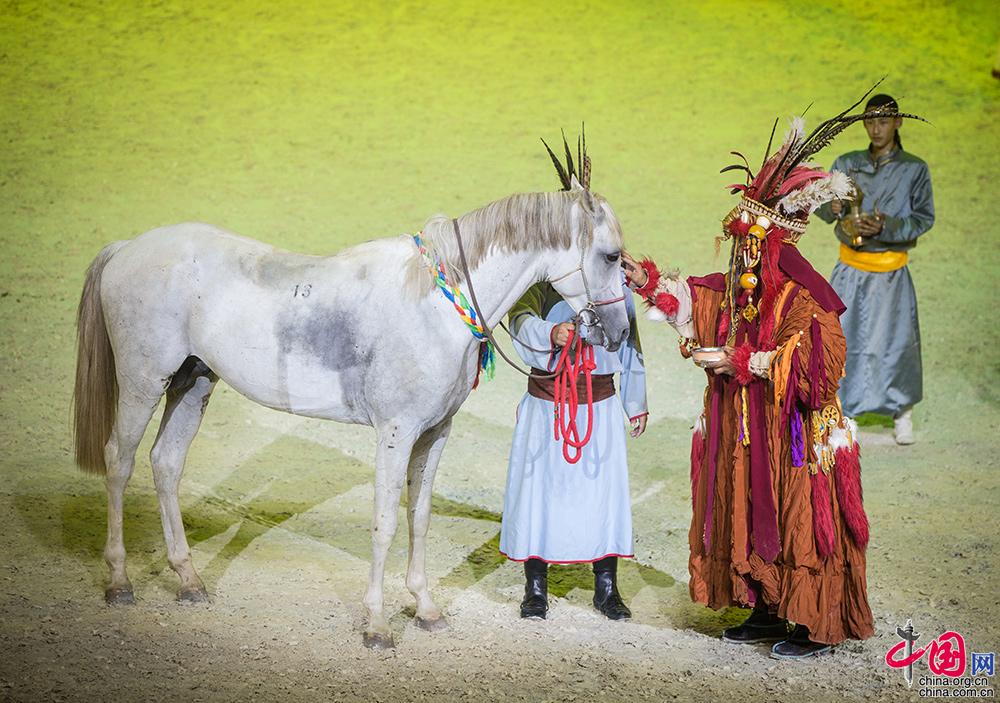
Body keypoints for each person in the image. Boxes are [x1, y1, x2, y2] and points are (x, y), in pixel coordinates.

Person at [620, 97, 913, 657]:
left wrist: (743, 362)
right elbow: (701, 300)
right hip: (751, 428)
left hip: (795, 437)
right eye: (740, 240)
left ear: (770, 242)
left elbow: (817, 370)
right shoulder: (744, 288)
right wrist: (646, 281)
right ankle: (767, 607)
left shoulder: (806, 296)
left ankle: (815, 622)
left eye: (749, 240)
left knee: (799, 516)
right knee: (752, 508)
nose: (741, 249)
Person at [499, 279, 647, 621]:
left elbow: (630, 340)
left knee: (603, 495)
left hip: (600, 403)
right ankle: (535, 586)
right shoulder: (540, 277)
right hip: (547, 403)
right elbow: (519, 317)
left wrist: (635, 402)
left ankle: (606, 587)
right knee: (539, 494)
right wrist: (550, 333)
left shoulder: (612, 282)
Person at [815, 94, 934, 445]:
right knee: (843, 339)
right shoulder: (847, 163)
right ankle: (842, 409)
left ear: (898, 122)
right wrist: (831, 206)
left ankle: (902, 411)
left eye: (883, 121)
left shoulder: (914, 169)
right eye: (870, 121)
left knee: (897, 342)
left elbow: (923, 218)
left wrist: (886, 227)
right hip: (850, 269)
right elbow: (822, 204)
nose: (876, 128)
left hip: (890, 270)